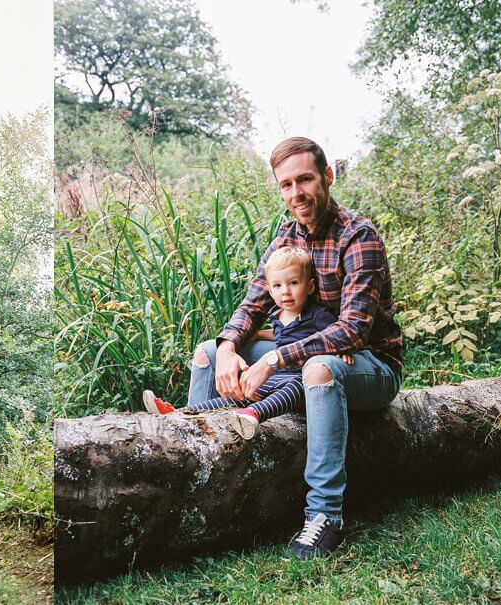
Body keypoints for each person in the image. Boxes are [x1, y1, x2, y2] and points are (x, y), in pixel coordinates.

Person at [184, 137, 402, 560]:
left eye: (305, 179)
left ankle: (325, 517)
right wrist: (229, 344)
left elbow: (355, 331)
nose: (296, 193)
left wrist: (275, 357)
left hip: (370, 365)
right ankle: (205, 477)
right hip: (315, 355)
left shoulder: (359, 236)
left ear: (327, 177)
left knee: (319, 367)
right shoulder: (289, 234)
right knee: (208, 352)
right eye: (286, 184)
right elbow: (256, 299)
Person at [144, 247, 349, 441]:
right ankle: (182, 412)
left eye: (294, 283)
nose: (286, 291)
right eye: (278, 286)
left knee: (294, 388)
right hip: (277, 375)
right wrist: (258, 334)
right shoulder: (277, 315)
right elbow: (280, 336)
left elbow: (336, 337)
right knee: (244, 392)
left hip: (301, 379)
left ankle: (253, 413)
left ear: (311, 286)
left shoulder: (318, 316)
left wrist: (344, 351)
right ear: (269, 290)